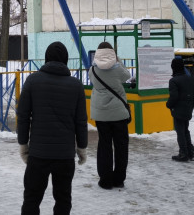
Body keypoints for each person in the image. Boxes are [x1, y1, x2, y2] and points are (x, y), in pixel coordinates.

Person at [18, 41, 88, 214]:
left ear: (46, 58)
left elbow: (23, 115)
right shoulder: (76, 85)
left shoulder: (33, 81)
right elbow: (81, 120)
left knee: (32, 199)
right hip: (65, 156)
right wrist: (82, 147)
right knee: (63, 199)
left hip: (38, 154)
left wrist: (23, 145)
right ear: (65, 60)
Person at [89, 41, 132, 190]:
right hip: (119, 112)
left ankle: (105, 180)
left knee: (104, 145)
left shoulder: (92, 70)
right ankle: (119, 179)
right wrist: (118, 61)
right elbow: (127, 76)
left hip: (101, 114)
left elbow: (93, 82)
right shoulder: (118, 68)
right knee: (121, 146)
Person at [167, 56, 194, 162]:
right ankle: (190, 152)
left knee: (180, 132)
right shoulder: (189, 78)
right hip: (188, 108)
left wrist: (168, 105)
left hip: (178, 110)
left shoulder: (173, 81)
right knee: (185, 130)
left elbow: (174, 96)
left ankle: (183, 153)